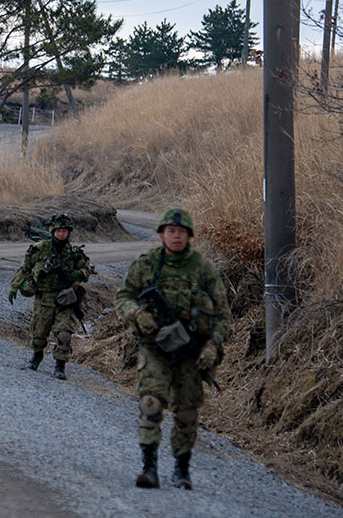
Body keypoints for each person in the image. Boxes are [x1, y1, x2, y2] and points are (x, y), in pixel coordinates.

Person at [113, 207, 230, 490]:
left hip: (192, 353)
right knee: (150, 402)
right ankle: (149, 467)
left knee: (187, 413)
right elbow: (123, 297)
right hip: (156, 349)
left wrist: (213, 346)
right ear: (162, 235)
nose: (176, 237)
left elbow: (223, 315)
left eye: (181, 232)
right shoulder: (147, 265)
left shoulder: (203, 269)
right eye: (171, 232)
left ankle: (181, 468)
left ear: (189, 236)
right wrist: (138, 314)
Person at [8, 213, 92, 380]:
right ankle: (36, 356)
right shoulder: (40, 249)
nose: (61, 234)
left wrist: (76, 273)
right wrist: (14, 286)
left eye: (64, 231)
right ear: (53, 231)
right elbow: (25, 268)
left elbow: (86, 271)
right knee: (39, 334)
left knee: (64, 334)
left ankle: (60, 365)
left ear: (69, 232)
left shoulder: (74, 253)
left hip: (65, 299)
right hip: (44, 298)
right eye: (58, 231)